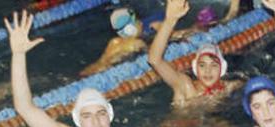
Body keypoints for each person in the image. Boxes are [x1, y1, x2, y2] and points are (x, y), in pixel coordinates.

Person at [6, 10, 153, 127]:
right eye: (87, 116)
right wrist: (18, 54)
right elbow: (25, 108)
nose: (96, 122)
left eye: (101, 113)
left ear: (110, 115)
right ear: (78, 121)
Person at [77, 1, 242, 77]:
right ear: (132, 24)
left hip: (89, 71)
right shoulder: (138, 42)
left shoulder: (114, 42)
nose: (140, 21)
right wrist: (194, 29)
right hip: (110, 69)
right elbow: (171, 38)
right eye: (136, 20)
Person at [147, 0, 241, 107]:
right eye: (202, 65)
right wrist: (170, 21)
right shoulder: (186, 86)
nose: (207, 71)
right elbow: (154, 60)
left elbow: (241, 84)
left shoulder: (225, 88)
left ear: (222, 69)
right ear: (196, 68)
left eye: (214, 65)